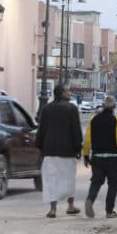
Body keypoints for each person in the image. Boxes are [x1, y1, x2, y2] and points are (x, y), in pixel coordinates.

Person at [36, 85, 82, 218]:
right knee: (69, 179)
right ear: (62, 93)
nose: (70, 93)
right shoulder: (72, 108)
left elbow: (41, 130)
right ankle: (70, 205)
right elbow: (76, 130)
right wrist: (78, 148)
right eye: (68, 91)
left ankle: (53, 209)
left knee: (51, 179)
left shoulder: (46, 109)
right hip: (68, 151)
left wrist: (40, 147)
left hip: (49, 150)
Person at [81, 96, 117, 219]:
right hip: (112, 158)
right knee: (114, 183)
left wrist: (86, 155)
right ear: (114, 107)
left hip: (97, 157)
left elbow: (87, 140)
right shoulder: (116, 120)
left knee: (96, 181)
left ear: (103, 105)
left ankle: (90, 200)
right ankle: (109, 211)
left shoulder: (94, 119)